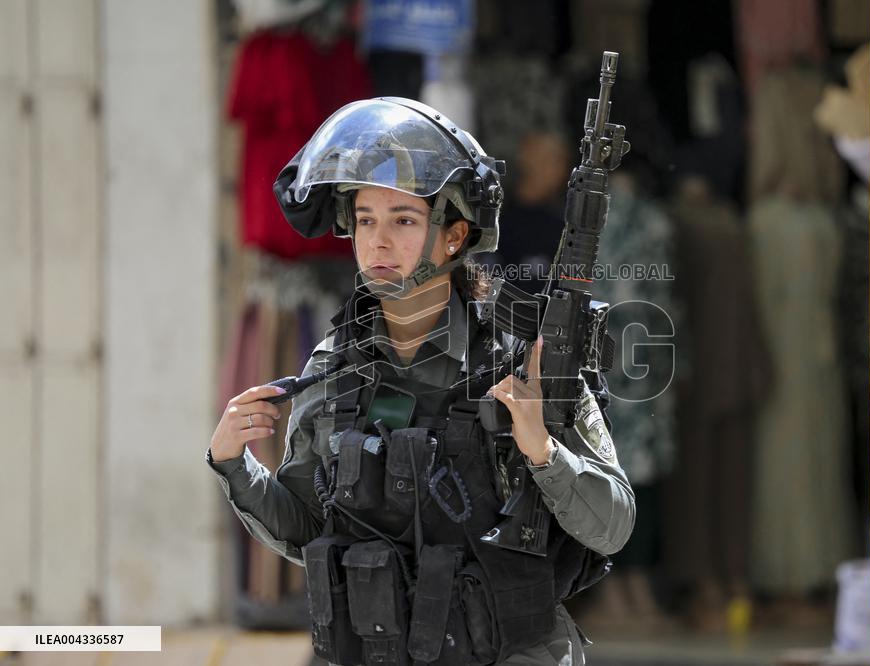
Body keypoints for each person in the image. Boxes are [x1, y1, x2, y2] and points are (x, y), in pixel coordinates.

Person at [207, 97, 635, 665]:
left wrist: (543, 451)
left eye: (403, 221)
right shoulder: (335, 368)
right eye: (365, 220)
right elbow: (311, 530)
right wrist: (235, 465)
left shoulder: (520, 360)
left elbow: (613, 526)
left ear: (454, 237)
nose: (378, 242)